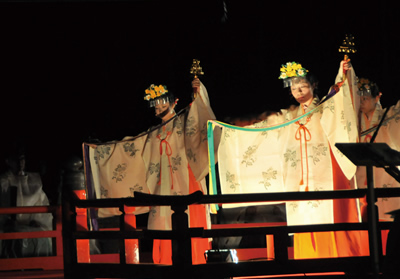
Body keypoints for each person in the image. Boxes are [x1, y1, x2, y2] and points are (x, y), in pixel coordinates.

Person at [212, 59, 365, 259]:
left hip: (324, 174)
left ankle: (335, 260)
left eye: (303, 86)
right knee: (303, 216)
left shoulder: (325, 108)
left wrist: (342, 74)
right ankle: (308, 261)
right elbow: (262, 127)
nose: (298, 91)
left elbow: (340, 99)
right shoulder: (289, 115)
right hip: (299, 177)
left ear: (313, 85)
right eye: (294, 87)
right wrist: (231, 128)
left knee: (327, 214)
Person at [84, 77, 219, 265]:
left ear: (174, 102)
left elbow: (200, 122)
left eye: (161, 103)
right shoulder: (153, 132)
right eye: (154, 105)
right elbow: (129, 146)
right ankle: (165, 264)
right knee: (162, 227)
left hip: (187, 181)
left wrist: (198, 94)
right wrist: (100, 150)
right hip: (161, 185)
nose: (157, 108)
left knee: (191, 224)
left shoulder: (184, 121)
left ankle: (196, 263)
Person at [355, 78, 400, 222]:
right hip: (361, 173)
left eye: (366, 98)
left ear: (377, 97)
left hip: (384, 173)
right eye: (359, 98)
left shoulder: (388, 116)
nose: (361, 101)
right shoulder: (354, 122)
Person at [0, 143, 53, 258]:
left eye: (22, 158)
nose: (20, 163)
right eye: (16, 159)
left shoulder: (34, 180)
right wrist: (6, 221)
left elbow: (41, 203)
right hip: (8, 226)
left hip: (31, 224)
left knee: (41, 235)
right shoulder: (3, 181)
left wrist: (37, 221)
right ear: (8, 161)